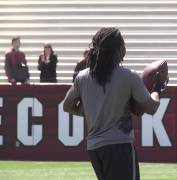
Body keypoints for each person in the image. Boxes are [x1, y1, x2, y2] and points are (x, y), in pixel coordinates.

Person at [63, 27, 166, 180]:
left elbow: (67, 106)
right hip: (119, 146)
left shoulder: (82, 77)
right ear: (118, 50)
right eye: (123, 44)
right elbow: (151, 108)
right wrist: (158, 89)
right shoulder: (128, 76)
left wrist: (93, 111)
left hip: (95, 148)